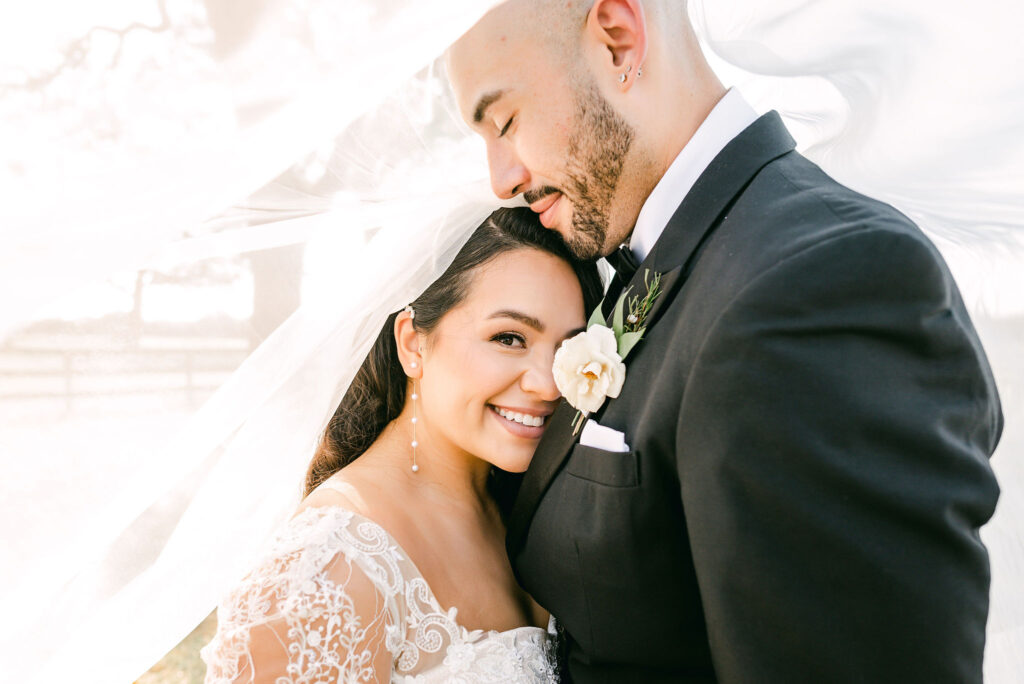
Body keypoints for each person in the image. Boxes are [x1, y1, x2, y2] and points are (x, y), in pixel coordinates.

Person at [447, 1, 1003, 682]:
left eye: (505, 122)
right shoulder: (661, 262)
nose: (500, 178)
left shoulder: (821, 285)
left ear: (619, 42)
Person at [200, 207, 601, 682]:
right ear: (413, 343)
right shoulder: (325, 567)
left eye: (566, 348)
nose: (547, 385)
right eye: (509, 338)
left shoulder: (527, 513)